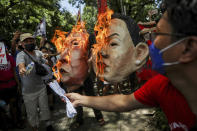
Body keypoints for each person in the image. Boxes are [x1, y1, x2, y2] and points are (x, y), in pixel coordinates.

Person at [65, 1, 197, 130]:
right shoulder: (161, 87)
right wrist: (81, 99)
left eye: (158, 34)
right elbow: (124, 102)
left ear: (188, 48)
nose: (152, 43)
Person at [16, 33, 54, 131]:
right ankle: (35, 128)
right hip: (28, 92)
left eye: (31, 41)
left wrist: (48, 58)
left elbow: (50, 64)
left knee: (45, 108)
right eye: (26, 41)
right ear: (22, 44)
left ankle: (48, 125)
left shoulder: (38, 53)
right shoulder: (21, 55)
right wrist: (22, 69)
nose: (29, 43)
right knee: (32, 113)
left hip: (41, 87)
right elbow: (21, 65)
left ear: (34, 41)